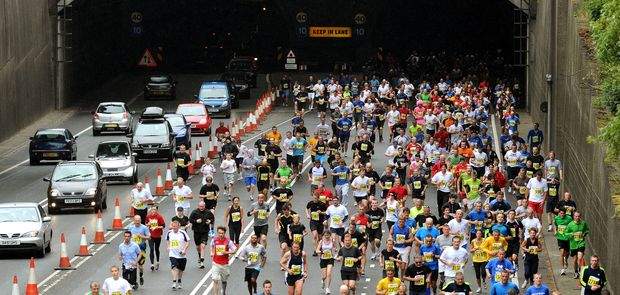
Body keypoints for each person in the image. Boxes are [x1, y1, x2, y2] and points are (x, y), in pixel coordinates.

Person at [210, 226, 237, 295]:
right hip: (216, 263)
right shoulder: (214, 240)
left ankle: (223, 292)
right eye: (219, 233)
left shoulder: (228, 241)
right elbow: (212, 246)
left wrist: (227, 252)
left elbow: (235, 250)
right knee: (215, 279)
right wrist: (212, 253)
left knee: (224, 280)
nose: (220, 235)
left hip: (224, 264)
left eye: (222, 233)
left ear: (224, 233)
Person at [189, 201, 215, 269]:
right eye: (200, 206)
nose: (201, 208)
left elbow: (212, 219)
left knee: (203, 246)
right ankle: (199, 256)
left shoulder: (208, 212)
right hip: (196, 231)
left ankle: (202, 260)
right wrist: (196, 221)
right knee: (198, 247)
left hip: (205, 231)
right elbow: (190, 220)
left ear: (204, 206)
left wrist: (210, 221)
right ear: (198, 206)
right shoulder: (194, 212)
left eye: (202, 206)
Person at [565, 211, 589, 278]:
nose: (577, 217)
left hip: (581, 243)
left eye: (578, 216)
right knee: (575, 260)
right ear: (573, 217)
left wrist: (584, 234)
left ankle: (580, 271)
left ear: (580, 216)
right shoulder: (570, 225)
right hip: (573, 245)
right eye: (576, 216)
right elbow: (565, 233)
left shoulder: (583, 223)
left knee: (580, 257)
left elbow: (587, 230)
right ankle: (576, 271)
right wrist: (571, 234)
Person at [166, 220, 190, 290]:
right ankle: (174, 282)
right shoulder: (169, 233)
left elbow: (188, 241)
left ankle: (179, 280)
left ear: (179, 226)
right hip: (172, 254)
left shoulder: (183, 233)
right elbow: (167, 240)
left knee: (181, 270)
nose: (174, 228)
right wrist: (168, 247)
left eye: (176, 227)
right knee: (174, 267)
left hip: (181, 255)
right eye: (173, 226)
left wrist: (184, 250)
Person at [127, 215, 149, 286]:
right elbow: (126, 237)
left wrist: (142, 236)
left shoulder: (144, 228)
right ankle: (134, 282)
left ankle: (141, 276)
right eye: (136, 220)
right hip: (132, 250)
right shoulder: (130, 228)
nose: (137, 222)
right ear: (134, 221)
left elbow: (149, 237)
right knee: (133, 266)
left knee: (140, 266)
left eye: (139, 220)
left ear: (140, 220)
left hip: (141, 249)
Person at [553, 208, 573, 275]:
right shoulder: (557, 218)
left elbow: (572, 226)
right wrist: (555, 231)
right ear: (559, 213)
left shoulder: (569, 218)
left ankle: (566, 259)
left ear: (565, 213)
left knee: (567, 253)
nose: (562, 215)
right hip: (560, 238)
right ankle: (562, 269)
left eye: (563, 213)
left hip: (567, 238)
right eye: (561, 213)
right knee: (562, 253)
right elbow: (555, 225)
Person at [146, 206, 165, 271]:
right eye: (152, 210)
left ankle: (157, 261)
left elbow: (163, 226)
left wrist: (157, 227)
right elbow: (146, 223)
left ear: (157, 211)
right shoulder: (148, 216)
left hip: (158, 235)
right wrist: (148, 224)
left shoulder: (159, 217)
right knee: (151, 249)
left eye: (154, 210)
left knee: (156, 249)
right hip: (150, 235)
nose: (153, 211)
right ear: (150, 210)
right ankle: (152, 264)